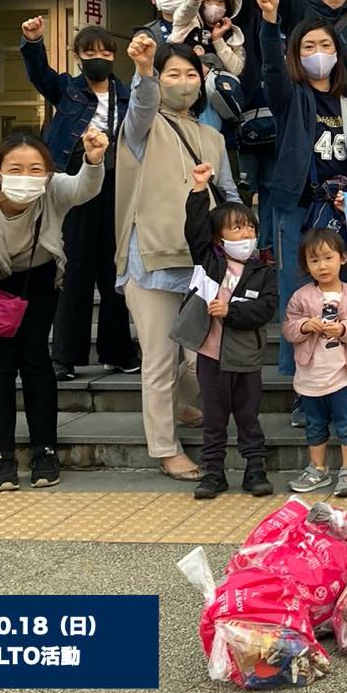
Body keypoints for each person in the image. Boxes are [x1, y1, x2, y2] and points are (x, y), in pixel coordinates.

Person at [0, 129, 109, 491]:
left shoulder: (52, 189)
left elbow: (83, 189)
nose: (26, 176)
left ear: (48, 172)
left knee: (35, 360)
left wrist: (93, 160)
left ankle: (44, 451)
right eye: (15, 168)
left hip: (40, 279)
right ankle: (2, 455)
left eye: (36, 168)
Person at [116, 33, 241, 482]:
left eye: (191, 74)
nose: (183, 82)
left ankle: (178, 405)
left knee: (197, 358)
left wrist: (240, 237)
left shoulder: (213, 137)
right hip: (150, 258)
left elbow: (228, 194)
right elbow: (142, 104)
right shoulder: (142, 128)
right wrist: (144, 71)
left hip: (201, 263)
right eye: (173, 74)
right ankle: (165, 448)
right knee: (160, 359)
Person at [254, 0, 347, 368]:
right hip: (298, 207)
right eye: (308, 47)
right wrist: (270, 21)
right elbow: (271, 68)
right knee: (297, 290)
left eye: (325, 45)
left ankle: (346, 371)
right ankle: (299, 376)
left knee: (344, 289)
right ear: (295, 55)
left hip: (342, 212)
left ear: (337, 53)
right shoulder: (290, 96)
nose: (318, 53)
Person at [17, 19, 139, 383]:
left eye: (105, 52)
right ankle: (65, 356)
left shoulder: (127, 95)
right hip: (73, 179)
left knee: (114, 268)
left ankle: (118, 352)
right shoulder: (67, 89)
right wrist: (33, 41)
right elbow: (39, 74)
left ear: (114, 56)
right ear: (77, 56)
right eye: (90, 52)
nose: (98, 58)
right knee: (75, 268)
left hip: (115, 182)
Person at [183, 162, 277, 500]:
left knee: (248, 416)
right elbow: (195, 230)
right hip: (211, 356)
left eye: (250, 227)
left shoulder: (264, 271)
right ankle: (213, 472)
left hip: (246, 357)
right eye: (236, 228)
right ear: (218, 238)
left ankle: (255, 470)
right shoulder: (210, 262)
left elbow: (266, 309)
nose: (246, 234)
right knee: (214, 417)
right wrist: (198, 190)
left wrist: (231, 311)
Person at [285, 229, 347, 497]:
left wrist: (344, 329)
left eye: (328, 258)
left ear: (342, 259)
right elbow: (289, 329)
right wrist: (304, 325)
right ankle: (318, 468)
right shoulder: (301, 296)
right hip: (310, 376)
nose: (322, 266)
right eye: (314, 260)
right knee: (315, 424)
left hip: (343, 374)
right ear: (306, 265)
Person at [170, 0, 246, 76]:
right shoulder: (186, 22)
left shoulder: (233, 35)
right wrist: (194, 0)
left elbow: (236, 70)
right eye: (207, 1)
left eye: (220, 2)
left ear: (228, 5)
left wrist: (218, 39)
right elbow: (185, 12)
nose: (213, 7)